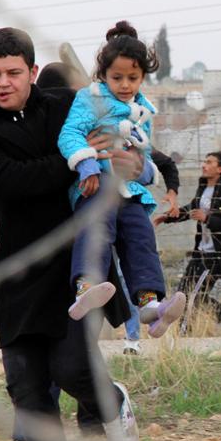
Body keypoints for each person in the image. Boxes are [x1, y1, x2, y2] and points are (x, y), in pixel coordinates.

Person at [0, 27, 137, 441]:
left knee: (73, 368)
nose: (3, 82)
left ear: (33, 72)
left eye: (14, 72)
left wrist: (121, 157)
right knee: (25, 382)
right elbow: (6, 183)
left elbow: (116, 130)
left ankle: (112, 401)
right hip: (15, 267)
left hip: (74, 263)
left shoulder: (65, 108)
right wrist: (75, 160)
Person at [56, 21, 185, 333]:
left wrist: (142, 171)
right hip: (96, 183)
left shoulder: (142, 111)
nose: (125, 84)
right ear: (103, 74)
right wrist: (86, 165)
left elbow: (145, 152)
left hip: (129, 190)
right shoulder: (91, 100)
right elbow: (70, 133)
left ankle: (149, 303)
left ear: (142, 77)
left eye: (133, 78)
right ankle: (87, 287)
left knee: (141, 239)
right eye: (117, 77)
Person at [155, 151, 221, 328]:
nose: (204, 165)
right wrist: (168, 217)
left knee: (193, 294)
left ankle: (187, 331)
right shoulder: (203, 189)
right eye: (204, 161)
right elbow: (192, 209)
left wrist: (208, 219)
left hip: (217, 256)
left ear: (220, 169)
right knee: (184, 292)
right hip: (200, 252)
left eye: (209, 162)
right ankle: (218, 315)